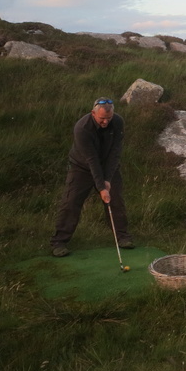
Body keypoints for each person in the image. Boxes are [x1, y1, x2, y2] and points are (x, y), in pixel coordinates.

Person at [50, 98, 134, 257]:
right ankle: (59, 242)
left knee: (115, 199)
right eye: (102, 118)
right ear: (93, 113)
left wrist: (107, 180)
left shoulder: (118, 122)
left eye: (108, 118)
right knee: (71, 201)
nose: (105, 122)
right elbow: (91, 159)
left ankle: (122, 237)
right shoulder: (82, 128)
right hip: (81, 167)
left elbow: (115, 153)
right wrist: (101, 188)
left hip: (108, 166)